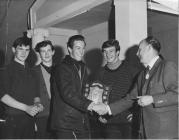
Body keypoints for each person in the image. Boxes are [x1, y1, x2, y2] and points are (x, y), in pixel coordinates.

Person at [92, 36, 178, 139]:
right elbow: (130, 98)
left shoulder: (167, 66)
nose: (137, 54)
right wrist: (107, 109)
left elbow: (177, 95)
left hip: (164, 133)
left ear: (149, 48)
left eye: (140, 50)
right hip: (145, 132)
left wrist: (152, 99)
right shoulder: (142, 74)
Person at [90, 39, 140, 139]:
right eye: (105, 52)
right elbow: (94, 98)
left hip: (129, 121)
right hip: (109, 122)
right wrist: (98, 115)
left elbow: (138, 94)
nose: (108, 54)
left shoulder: (132, 70)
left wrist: (135, 114)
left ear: (117, 52)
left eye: (111, 51)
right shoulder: (99, 73)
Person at [50, 35, 94, 139]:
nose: (81, 51)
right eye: (78, 48)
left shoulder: (83, 67)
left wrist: (95, 99)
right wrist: (91, 105)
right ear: (69, 49)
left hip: (81, 120)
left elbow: (85, 92)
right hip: (66, 123)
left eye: (83, 48)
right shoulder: (61, 67)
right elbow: (67, 94)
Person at [0, 36, 43, 139]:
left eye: (27, 50)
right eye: (20, 49)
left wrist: (37, 104)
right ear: (14, 50)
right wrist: (26, 108)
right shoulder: (6, 70)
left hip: (29, 119)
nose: (24, 53)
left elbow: (36, 95)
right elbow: (2, 96)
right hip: (12, 119)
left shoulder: (32, 72)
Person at [34, 40, 55, 138]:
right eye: (43, 51)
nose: (46, 54)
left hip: (59, 114)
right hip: (42, 114)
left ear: (53, 52)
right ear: (39, 53)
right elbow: (31, 93)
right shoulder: (33, 71)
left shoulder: (62, 69)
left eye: (48, 50)